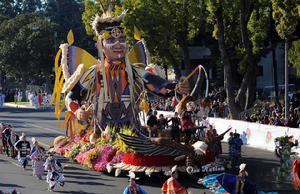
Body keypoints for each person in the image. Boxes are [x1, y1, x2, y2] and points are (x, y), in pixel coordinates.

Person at [53, 8, 189, 140]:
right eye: (111, 40)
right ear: (100, 45)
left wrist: (177, 88)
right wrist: (77, 111)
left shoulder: (136, 72)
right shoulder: (93, 73)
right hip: (101, 135)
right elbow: (70, 98)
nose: (118, 44)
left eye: (122, 39)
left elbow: (160, 86)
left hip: (132, 134)